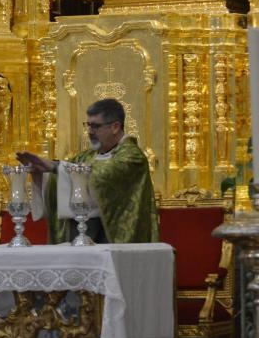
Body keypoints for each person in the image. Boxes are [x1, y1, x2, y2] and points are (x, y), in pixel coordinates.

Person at [16, 98, 156, 244]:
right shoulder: (86, 156)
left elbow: (104, 175)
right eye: (88, 125)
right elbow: (63, 176)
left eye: (95, 126)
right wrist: (41, 172)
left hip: (115, 240)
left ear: (115, 127)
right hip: (81, 237)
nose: (89, 131)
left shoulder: (132, 156)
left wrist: (55, 167)